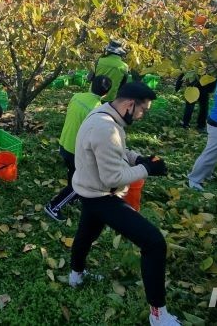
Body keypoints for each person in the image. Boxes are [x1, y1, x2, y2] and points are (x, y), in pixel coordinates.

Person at [68, 82, 180, 326]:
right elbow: (114, 177)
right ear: (130, 104)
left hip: (89, 190)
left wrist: (136, 158)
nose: (142, 116)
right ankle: (158, 316)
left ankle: (76, 275)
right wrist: (147, 169)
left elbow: (116, 151)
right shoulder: (105, 128)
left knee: (86, 234)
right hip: (101, 197)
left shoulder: (104, 114)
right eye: (143, 110)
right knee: (153, 242)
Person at [44, 75, 113, 221]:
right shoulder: (98, 110)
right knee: (81, 183)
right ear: (106, 94)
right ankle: (54, 206)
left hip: (64, 143)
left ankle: (72, 197)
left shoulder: (76, 96)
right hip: (78, 151)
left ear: (90, 84)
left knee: (73, 172)